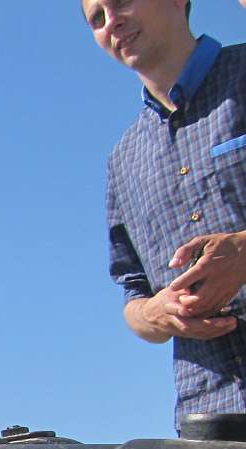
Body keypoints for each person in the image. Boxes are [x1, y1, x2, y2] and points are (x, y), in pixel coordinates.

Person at [88, 0, 246, 426]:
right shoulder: (122, 161)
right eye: (96, 18)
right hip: (210, 420)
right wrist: (159, 312)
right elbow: (133, 296)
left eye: (120, 2)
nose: (111, 22)